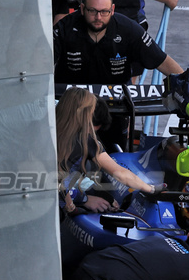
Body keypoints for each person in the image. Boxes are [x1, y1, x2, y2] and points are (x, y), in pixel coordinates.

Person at [56, 86, 159, 217]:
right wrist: (151, 189)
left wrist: (87, 197)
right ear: (85, 115)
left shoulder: (42, 129)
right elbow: (121, 174)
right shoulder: (86, 141)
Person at [53, 0, 185, 85]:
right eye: (92, 11)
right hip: (72, 102)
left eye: (104, 11)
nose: (98, 17)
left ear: (112, 10)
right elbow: (42, 62)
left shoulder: (129, 29)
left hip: (116, 101)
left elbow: (161, 61)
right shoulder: (64, 28)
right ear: (82, 9)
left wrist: (188, 86)